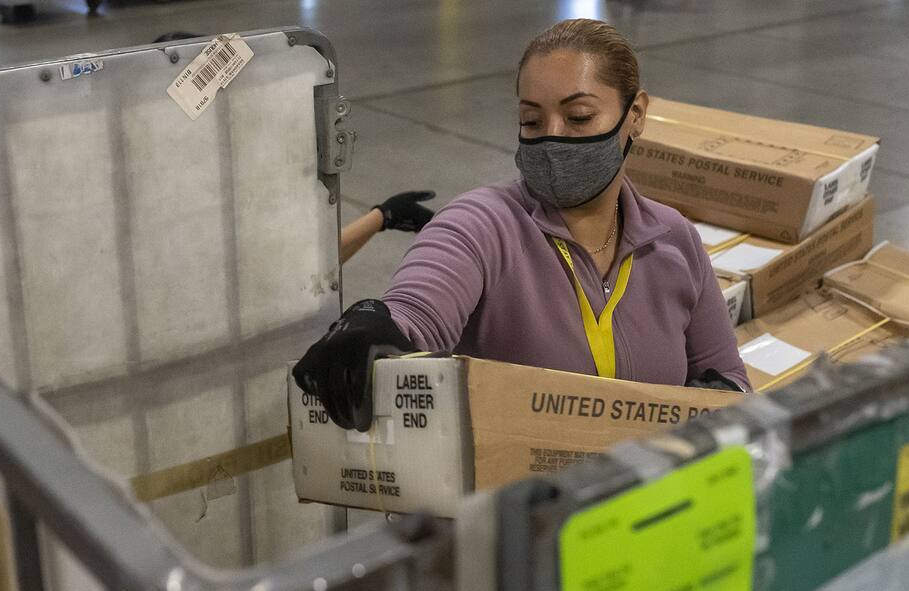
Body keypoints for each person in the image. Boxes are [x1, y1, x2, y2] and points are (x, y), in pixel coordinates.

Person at [295, 18, 749, 431]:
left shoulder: (674, 240)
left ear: (636, 116)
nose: (553, 136)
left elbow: (726, 381)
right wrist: (376, 331)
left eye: (579, 117)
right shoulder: (481, 226)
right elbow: (417, 313)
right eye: (531, 121)